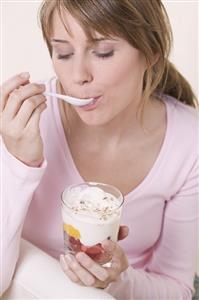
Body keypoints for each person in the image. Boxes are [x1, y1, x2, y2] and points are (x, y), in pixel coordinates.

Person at [1, 0, 198, 299]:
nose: (78, 75)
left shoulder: (189, 143)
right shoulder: (23, 122)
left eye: (103, 52)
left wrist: (116, 280)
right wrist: (18, 163)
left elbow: (179, 290)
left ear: (150, 53)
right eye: (63, 53)